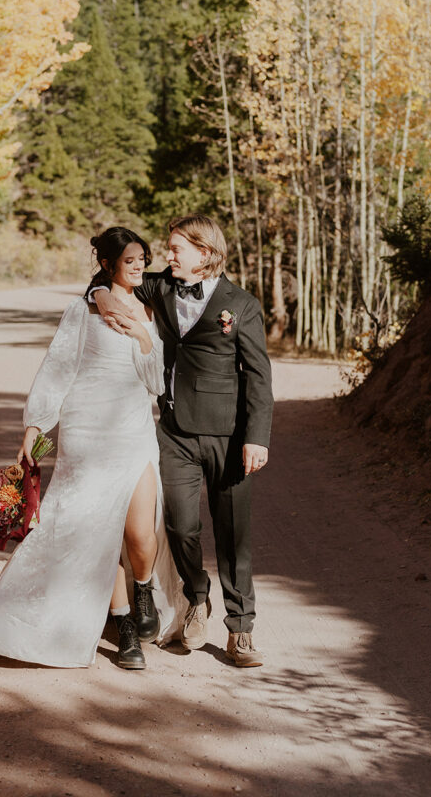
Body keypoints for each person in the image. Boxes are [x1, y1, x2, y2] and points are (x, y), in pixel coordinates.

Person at [0, 227, 183, 670]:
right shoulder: (82, 311)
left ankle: (143, 587)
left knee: (140, 532)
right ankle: (124, 623)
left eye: (143, 258)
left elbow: (156, 382)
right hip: (87, 432)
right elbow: (58, 367)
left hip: (132, 428)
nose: (140, 266)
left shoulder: (148, 310)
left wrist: (145, 341)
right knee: (96, 531)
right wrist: (36, 424)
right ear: (106, 265)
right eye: (130, 261)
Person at [89, 214, 273, 667]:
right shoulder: (162, 288)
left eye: (176, 249)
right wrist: (98, 295)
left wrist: (257, 438)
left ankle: (241, 629)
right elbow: (107, 274)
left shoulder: (241, 304)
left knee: (233, 536)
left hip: (229, 437)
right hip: (174, 433)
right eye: (168, 249)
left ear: (205, 254)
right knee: (179, 526)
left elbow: (259, 377)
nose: (166, 255)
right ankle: (197, 598)